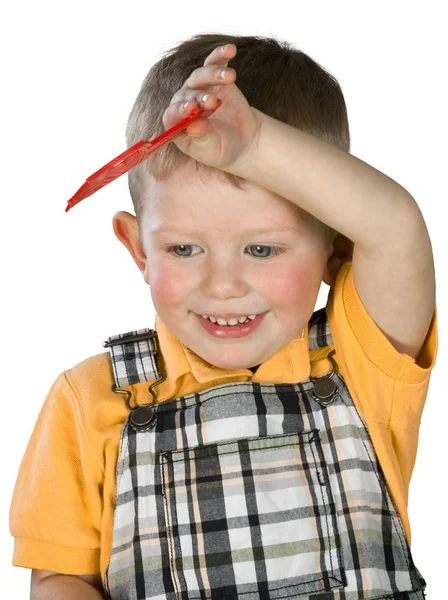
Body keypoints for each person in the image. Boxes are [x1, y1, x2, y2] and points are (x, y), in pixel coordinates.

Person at [10, 34, 438, 600]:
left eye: (262, 249)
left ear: (337, 250)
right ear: (138, 249)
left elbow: (396, 229)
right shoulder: (88, 400)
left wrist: (253, 147)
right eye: (184, 249)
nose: (223, 284)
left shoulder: (361, 365)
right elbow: (60, 577)